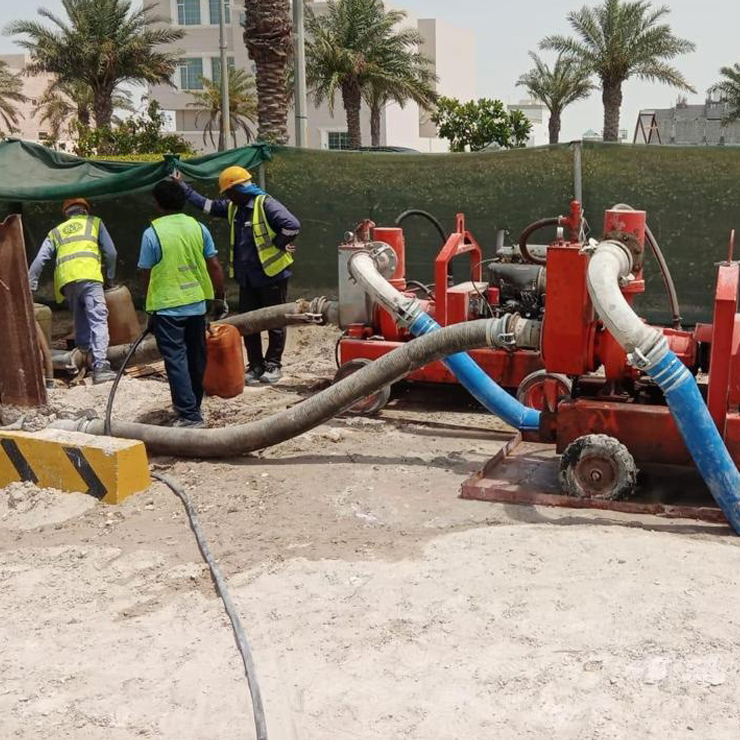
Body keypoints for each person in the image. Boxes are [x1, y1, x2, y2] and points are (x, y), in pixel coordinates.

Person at [174, 165, 301, 385]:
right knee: (248, 323)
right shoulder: (234, 207)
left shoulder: (265, 204)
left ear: (239, 189)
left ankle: (273, 364)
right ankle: (256, 365)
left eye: (229, 192)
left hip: (272, 275)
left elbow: (292, 225)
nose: (227, 196)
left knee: (275, 321)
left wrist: (280, 244)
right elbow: (207, 206)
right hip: (247, 277)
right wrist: (183, 187)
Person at [138, 180, 227, 428]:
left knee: (176, 360)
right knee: (197, 357)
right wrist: (219, 298)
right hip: (197, 304)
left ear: (158, 204)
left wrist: (149, 307)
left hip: (167, 307)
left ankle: (189, 415)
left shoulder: (152, 233)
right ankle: (193, 406)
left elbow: (145, 273)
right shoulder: (198, 227)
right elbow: (214, 266)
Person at [28, 197, 117, 384]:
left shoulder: (56, 231)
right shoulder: (95, 223)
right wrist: (110, 276)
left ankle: (84, 357)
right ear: (85, 210)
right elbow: (111, 252)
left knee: (80, 319)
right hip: (90, 276)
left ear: (66, 214)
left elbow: (40, 259)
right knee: (98, 319)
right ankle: (100, 366)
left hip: (67, 281)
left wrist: (31, 285)